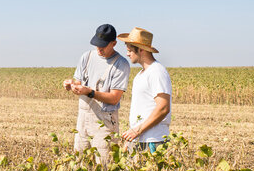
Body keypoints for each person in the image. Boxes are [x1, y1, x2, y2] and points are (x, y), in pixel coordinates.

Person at [63, 24, 131, 161]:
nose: (99, 49)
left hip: (104, 121)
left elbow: (114, 98)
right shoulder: (86, 57)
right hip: (82, 118)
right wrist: (71, 85)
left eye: (103, 46)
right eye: (97, 45)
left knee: (104, 165)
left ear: (114, 43)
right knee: (79, 161)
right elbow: (78, 81)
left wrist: (90, 92)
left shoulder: (121, 64)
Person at [118, 27, 172, 153]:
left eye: (130, 50)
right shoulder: (141, 75)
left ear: (141, 50)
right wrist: (130, 138)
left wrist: (137, 131)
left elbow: (163, 108)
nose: (127, 54)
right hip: (139, 139)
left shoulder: (157, 71)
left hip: (153, 140)